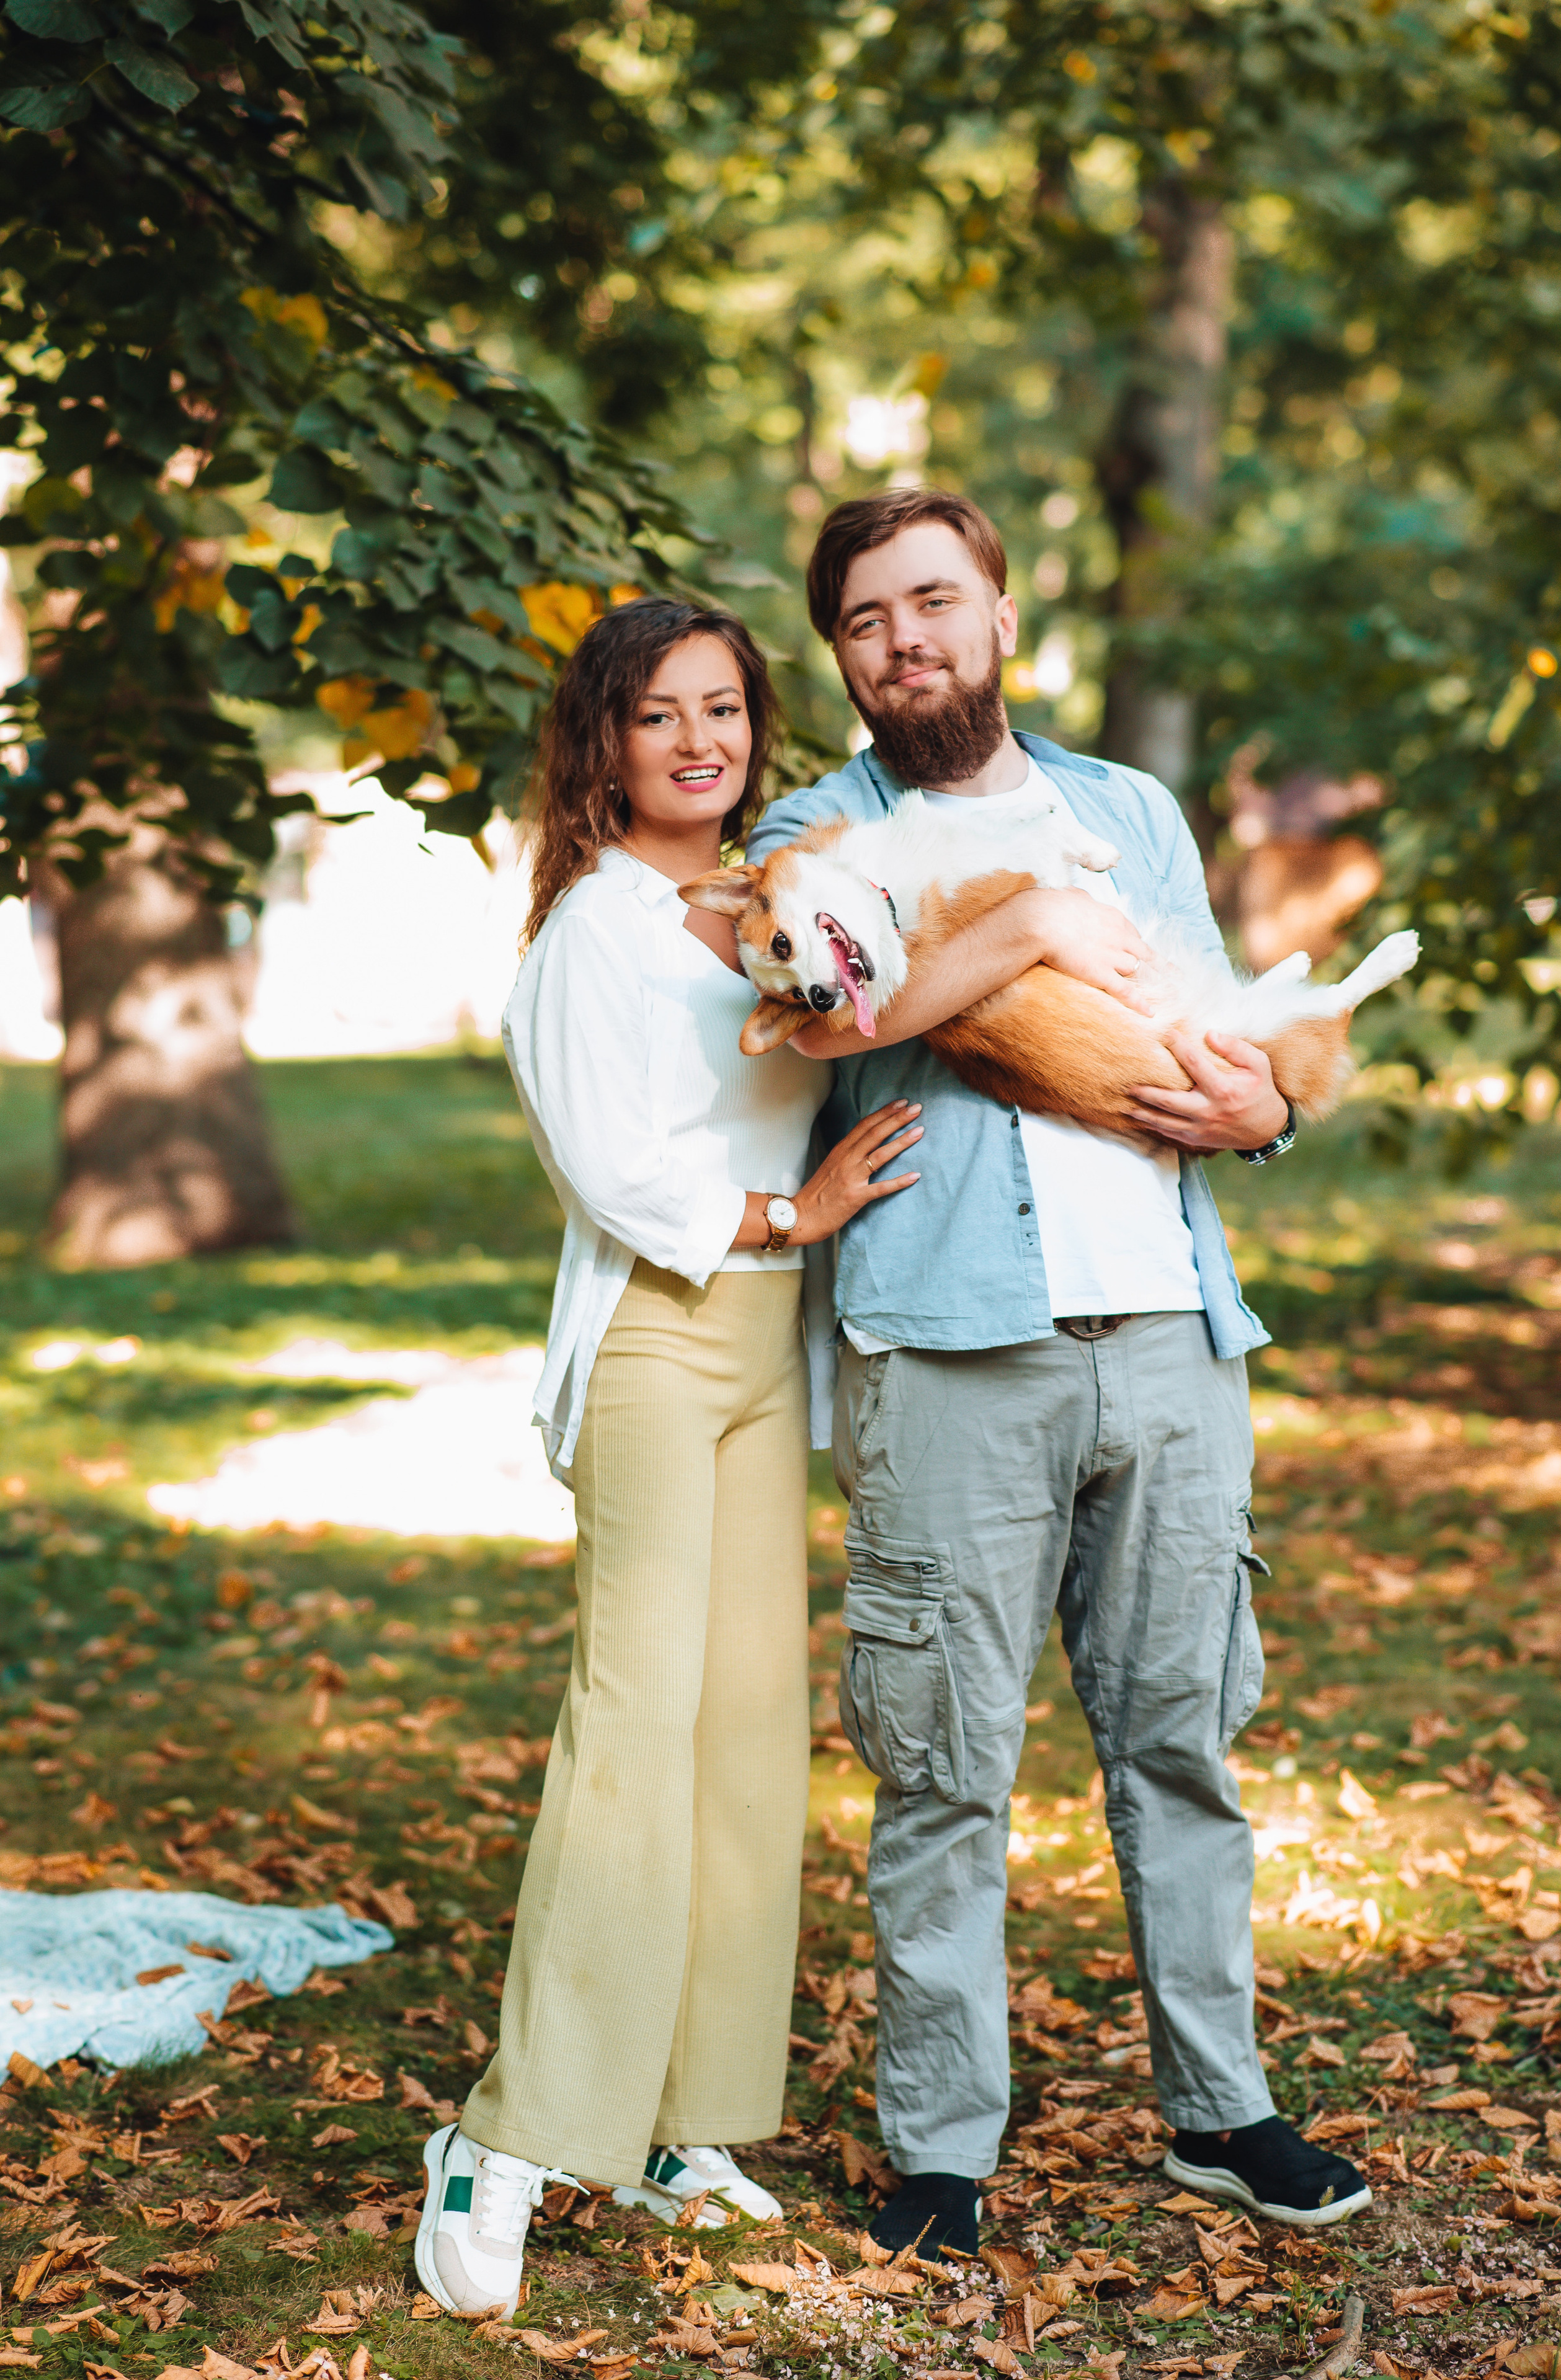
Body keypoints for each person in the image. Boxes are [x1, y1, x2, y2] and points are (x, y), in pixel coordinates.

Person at [745, 487, 1371, 2250]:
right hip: (951, 1351)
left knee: (1183, 1740)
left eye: (935, 602)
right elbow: (829, 1005)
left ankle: (1222, 2110)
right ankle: (943, 2148)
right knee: (943, 1764)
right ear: (845, 655)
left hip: (1170, 1333)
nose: (906, 642)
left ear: (1002, 616)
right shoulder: (820, 833)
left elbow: (1212, 1023)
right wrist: (1014, 938)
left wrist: (1269, 1111)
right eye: (868, 620)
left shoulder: (1127, 809)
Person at [413, 597, 926, 2316]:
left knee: (742, 1736)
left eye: (723, 708)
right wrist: (799, 1208)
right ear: (603, 745)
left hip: (767, 1348)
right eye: (658, 715)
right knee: (631, 1726)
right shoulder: (590, 936)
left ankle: (672, 2122)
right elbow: (612, 1169)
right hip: (652, 1330)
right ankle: (507, 2131)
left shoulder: (775, 907)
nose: (698, 739)